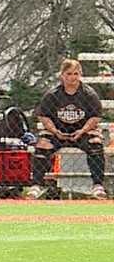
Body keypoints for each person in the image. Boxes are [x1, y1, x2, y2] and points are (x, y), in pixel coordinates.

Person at [29, 58, 106, 200]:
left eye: (76, 74)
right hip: (57, 132)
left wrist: (82, 131)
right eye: (69, 74)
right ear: (62, 75)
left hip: (82, 132)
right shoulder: (53, 95)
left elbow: (96, 117)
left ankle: (97, 186)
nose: (72, 77)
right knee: (42, 145)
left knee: (95, 143)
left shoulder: (89, 94)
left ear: (80, 74)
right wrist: (55, 131)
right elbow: (44, 116)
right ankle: (36, 185)